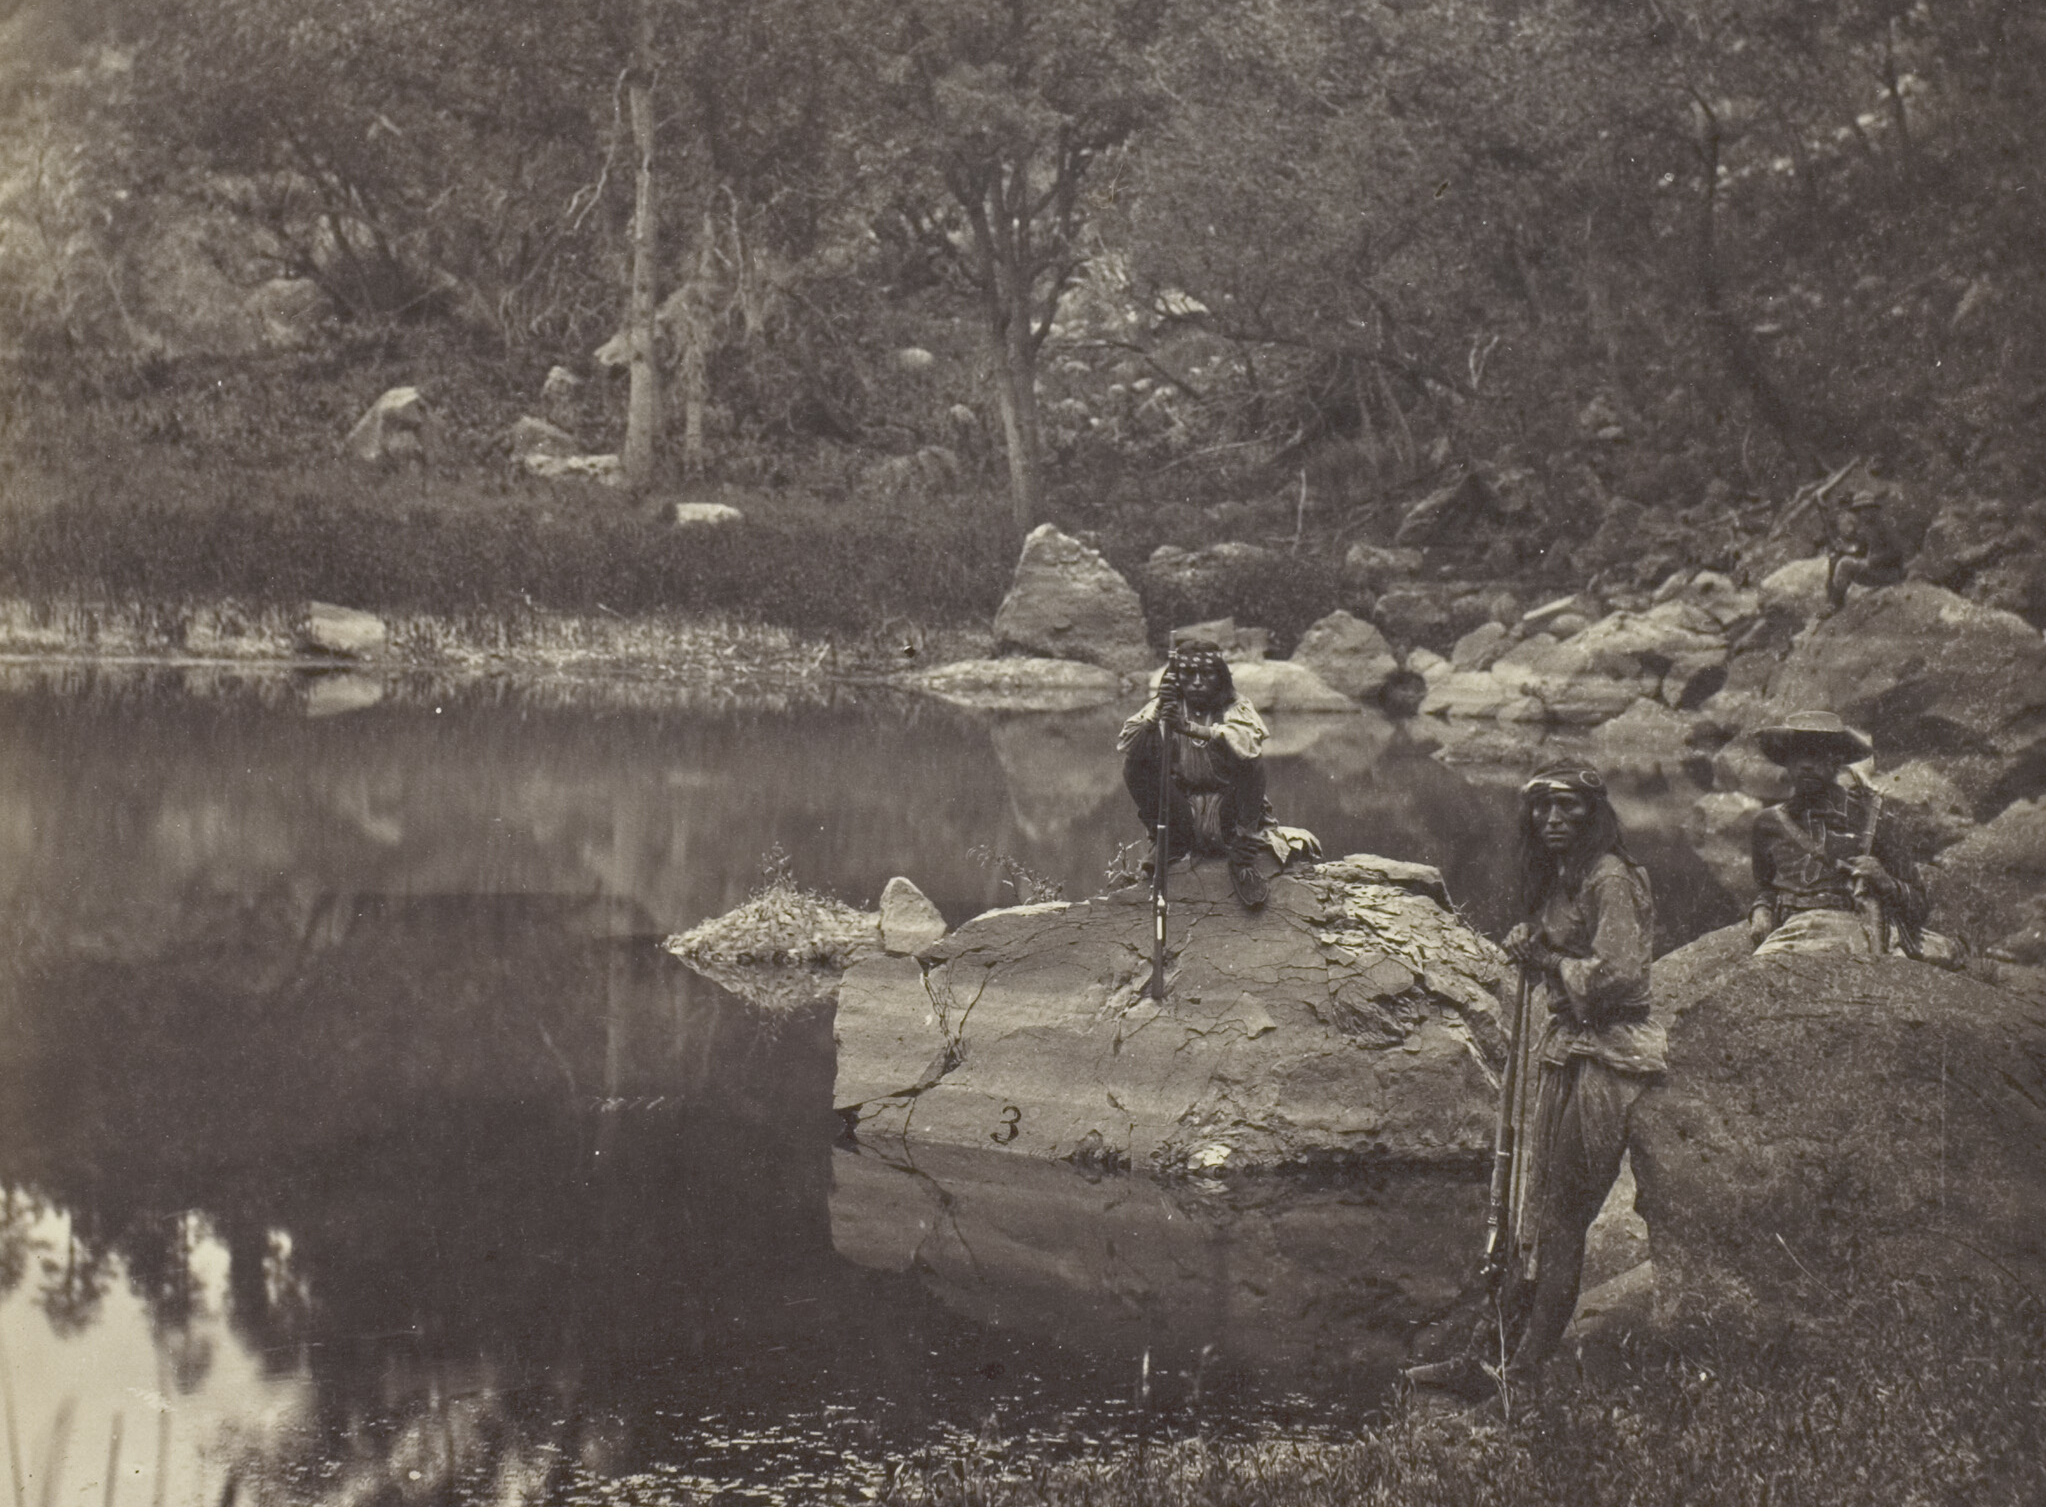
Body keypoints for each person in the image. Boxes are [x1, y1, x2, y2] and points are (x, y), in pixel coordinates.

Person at [1407, 761, 1664, 1407]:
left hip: (1608, 1059)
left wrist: (1548, 958)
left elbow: (1623, 977)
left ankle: (1523, 1371)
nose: (1552, 820)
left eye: (1568, 808)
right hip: (1561, 1049)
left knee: (1561, 1220)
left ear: (1594, 814)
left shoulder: (1609, 876)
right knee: (1521, 1212)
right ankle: (1483, 1355)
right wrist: (1530, 936)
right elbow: (1554, 948)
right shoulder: (1563, 875)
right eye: (1543, 808)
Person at [1748, 712, 1930, 957]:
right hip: (1794, 932)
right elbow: (1766, 887)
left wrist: (1884, 880)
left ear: (1836, 760)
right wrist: (1761, 910)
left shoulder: (1874, 818)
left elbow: (1920, 906)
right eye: (1798, 754)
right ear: (1786, 761)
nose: (1806, 764)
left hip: (1861, 930)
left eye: (1817, 754)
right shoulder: (1767, 824)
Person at [1117, 638, 1275, 908]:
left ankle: (1242, 855)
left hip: (1229, 810)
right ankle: (1172, 841)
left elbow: (1247, 743)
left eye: (1207, 674)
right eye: (1188, 675)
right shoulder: (1168, 706)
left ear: (1221, 677)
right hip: (1183, 810)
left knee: (1253, 763)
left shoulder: (1235, 706)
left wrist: (1191, 728)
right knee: (1135, 761)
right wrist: (1158, 710)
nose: (1198, 682)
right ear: (1177, 678)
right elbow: (1126, 744)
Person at [1825, 492, 1905, 611]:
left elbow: (1897, 552)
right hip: (1878, 571)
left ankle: (1836, 605)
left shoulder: (1885, 525)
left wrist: (1873, 560)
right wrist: (1842, 550)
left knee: (1844, 564)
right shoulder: (1868, 527)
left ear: (1872, 509)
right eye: (1859, 510)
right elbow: (1861, 549)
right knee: (1836, 560)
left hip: (1890, 573)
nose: (1861, 514)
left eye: (1864, 509)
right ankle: (1832, 600)